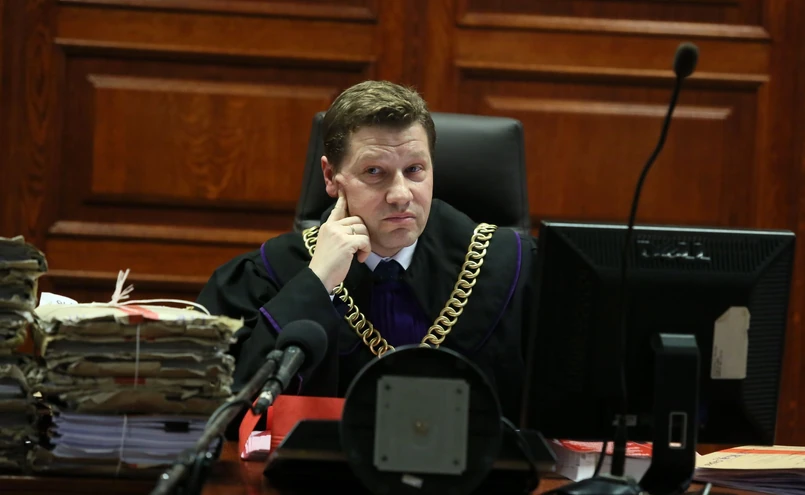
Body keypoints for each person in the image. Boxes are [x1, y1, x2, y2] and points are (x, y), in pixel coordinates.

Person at [196, 80, 536, 423]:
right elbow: (219, 412)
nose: (400, 195)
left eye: (415, 170)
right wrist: (316, 282)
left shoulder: (515, 269)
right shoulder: (266, 275)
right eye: (375, 172)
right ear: (331, 176)